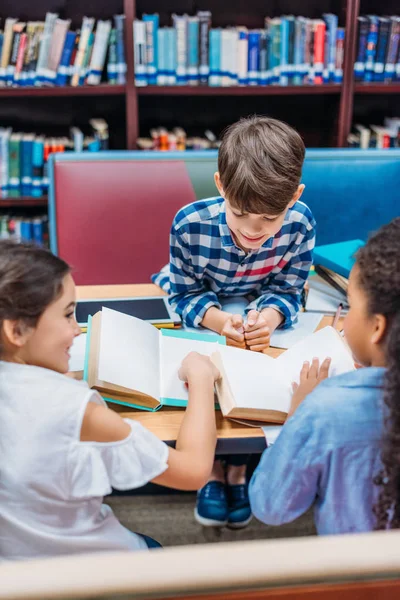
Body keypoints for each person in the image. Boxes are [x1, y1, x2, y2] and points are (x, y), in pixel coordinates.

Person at [0, 240, 219, 561]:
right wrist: (200, 378)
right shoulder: (76, 409)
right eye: (68, 314)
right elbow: (194, 471)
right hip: (94, 572)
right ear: (16, 330)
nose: (77, 329)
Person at [152, 116, 316, 528]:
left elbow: (290, 287)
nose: (252, 231)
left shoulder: (300, 222)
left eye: (269, 219)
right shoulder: (190, 224)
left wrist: (272, 315)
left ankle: (239, 470)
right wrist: (218, 320)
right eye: (241, 214)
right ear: (221, 186)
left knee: (264, 380)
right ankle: (210, 469)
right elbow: (185, 293)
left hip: (257, 307)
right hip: (205, 309)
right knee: (198, 376)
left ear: (294, 196)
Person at [249, 218, 400, 534]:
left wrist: (297, 414)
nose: (343, 317)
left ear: (377, 327)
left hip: (353, 578)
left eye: (351, 305)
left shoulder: (326, 409)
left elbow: (271, 506)